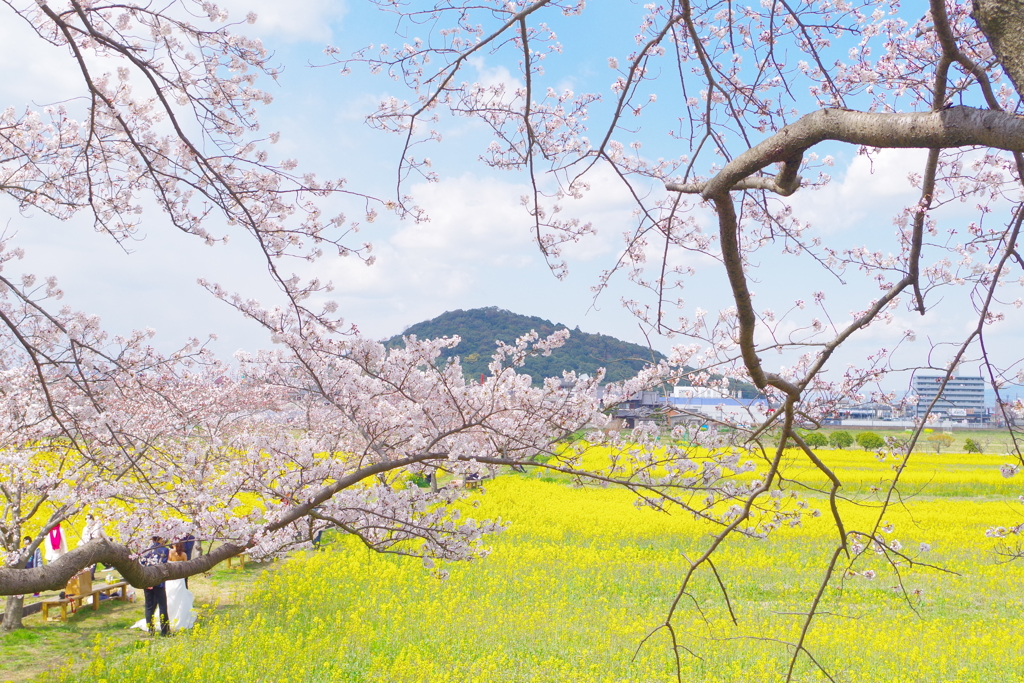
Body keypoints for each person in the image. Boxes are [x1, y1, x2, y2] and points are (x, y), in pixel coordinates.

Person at [137, 536, 170, 636]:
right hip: (158, 581)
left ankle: (151, 630)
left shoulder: (145, 550)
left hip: (147, 580)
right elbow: (163, 564)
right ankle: (165, 631)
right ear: (160, 539)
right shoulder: (164, 550)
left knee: (149, 606)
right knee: (162, 606)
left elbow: (141, 564)